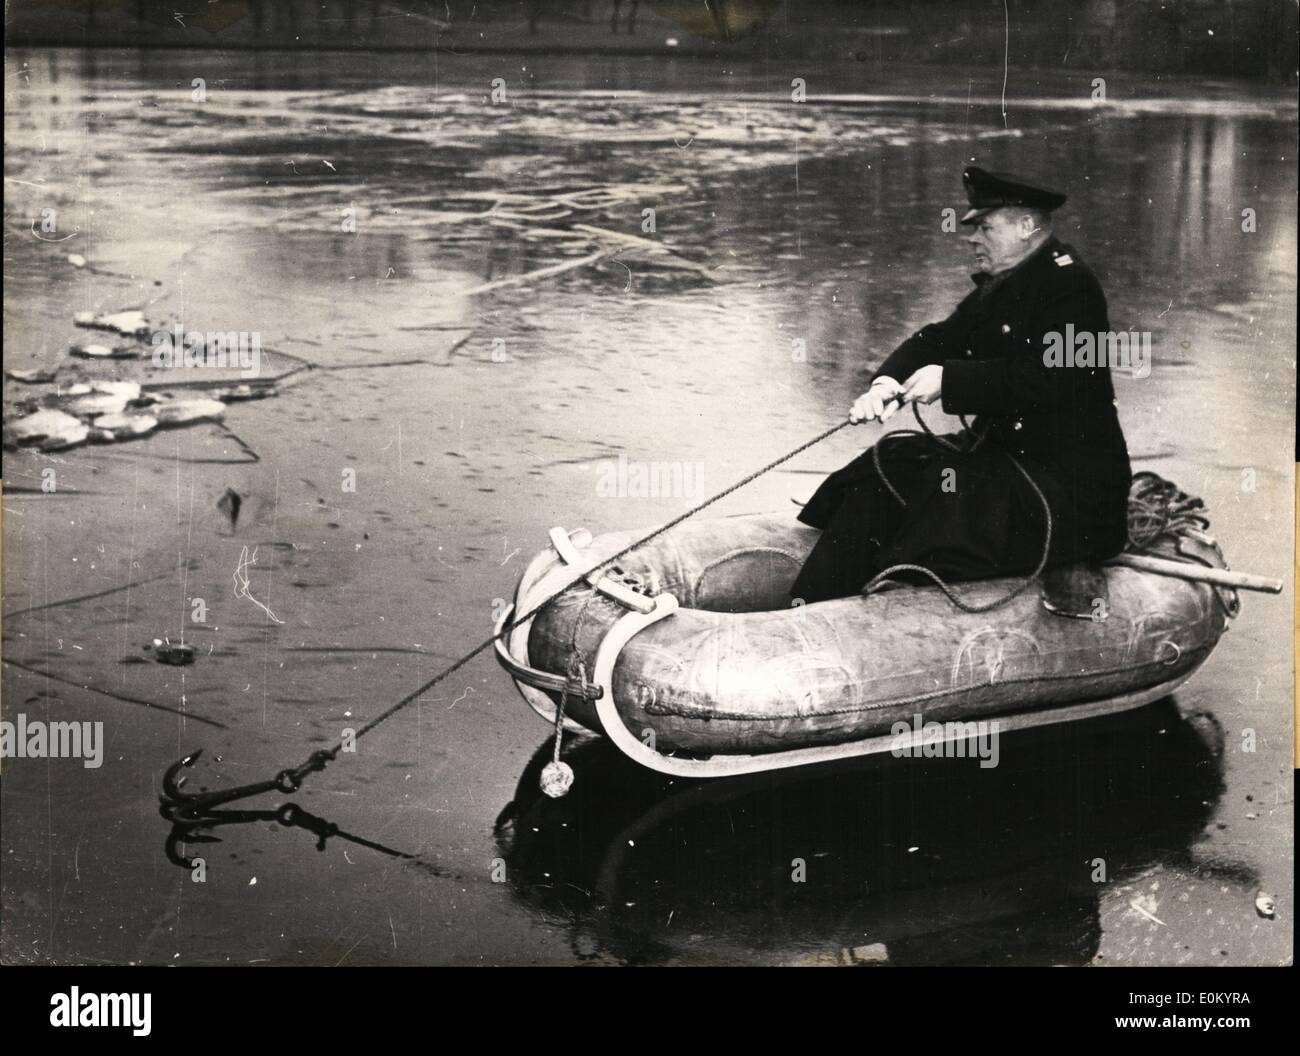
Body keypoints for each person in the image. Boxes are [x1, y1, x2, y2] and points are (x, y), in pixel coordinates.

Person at [789, 166, 1132, 604]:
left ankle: (892, 600)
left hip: (1068, 485)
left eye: (986, 227)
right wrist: (885, 384)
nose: (972, 238)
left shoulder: (1072, 288)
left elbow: (1052, 381)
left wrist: (951, 380)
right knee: (890, 460)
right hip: (1007, 461)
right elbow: (941, 337)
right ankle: (809, 604)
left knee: (947, 491)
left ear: (1028, 227)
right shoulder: (1007, 283)